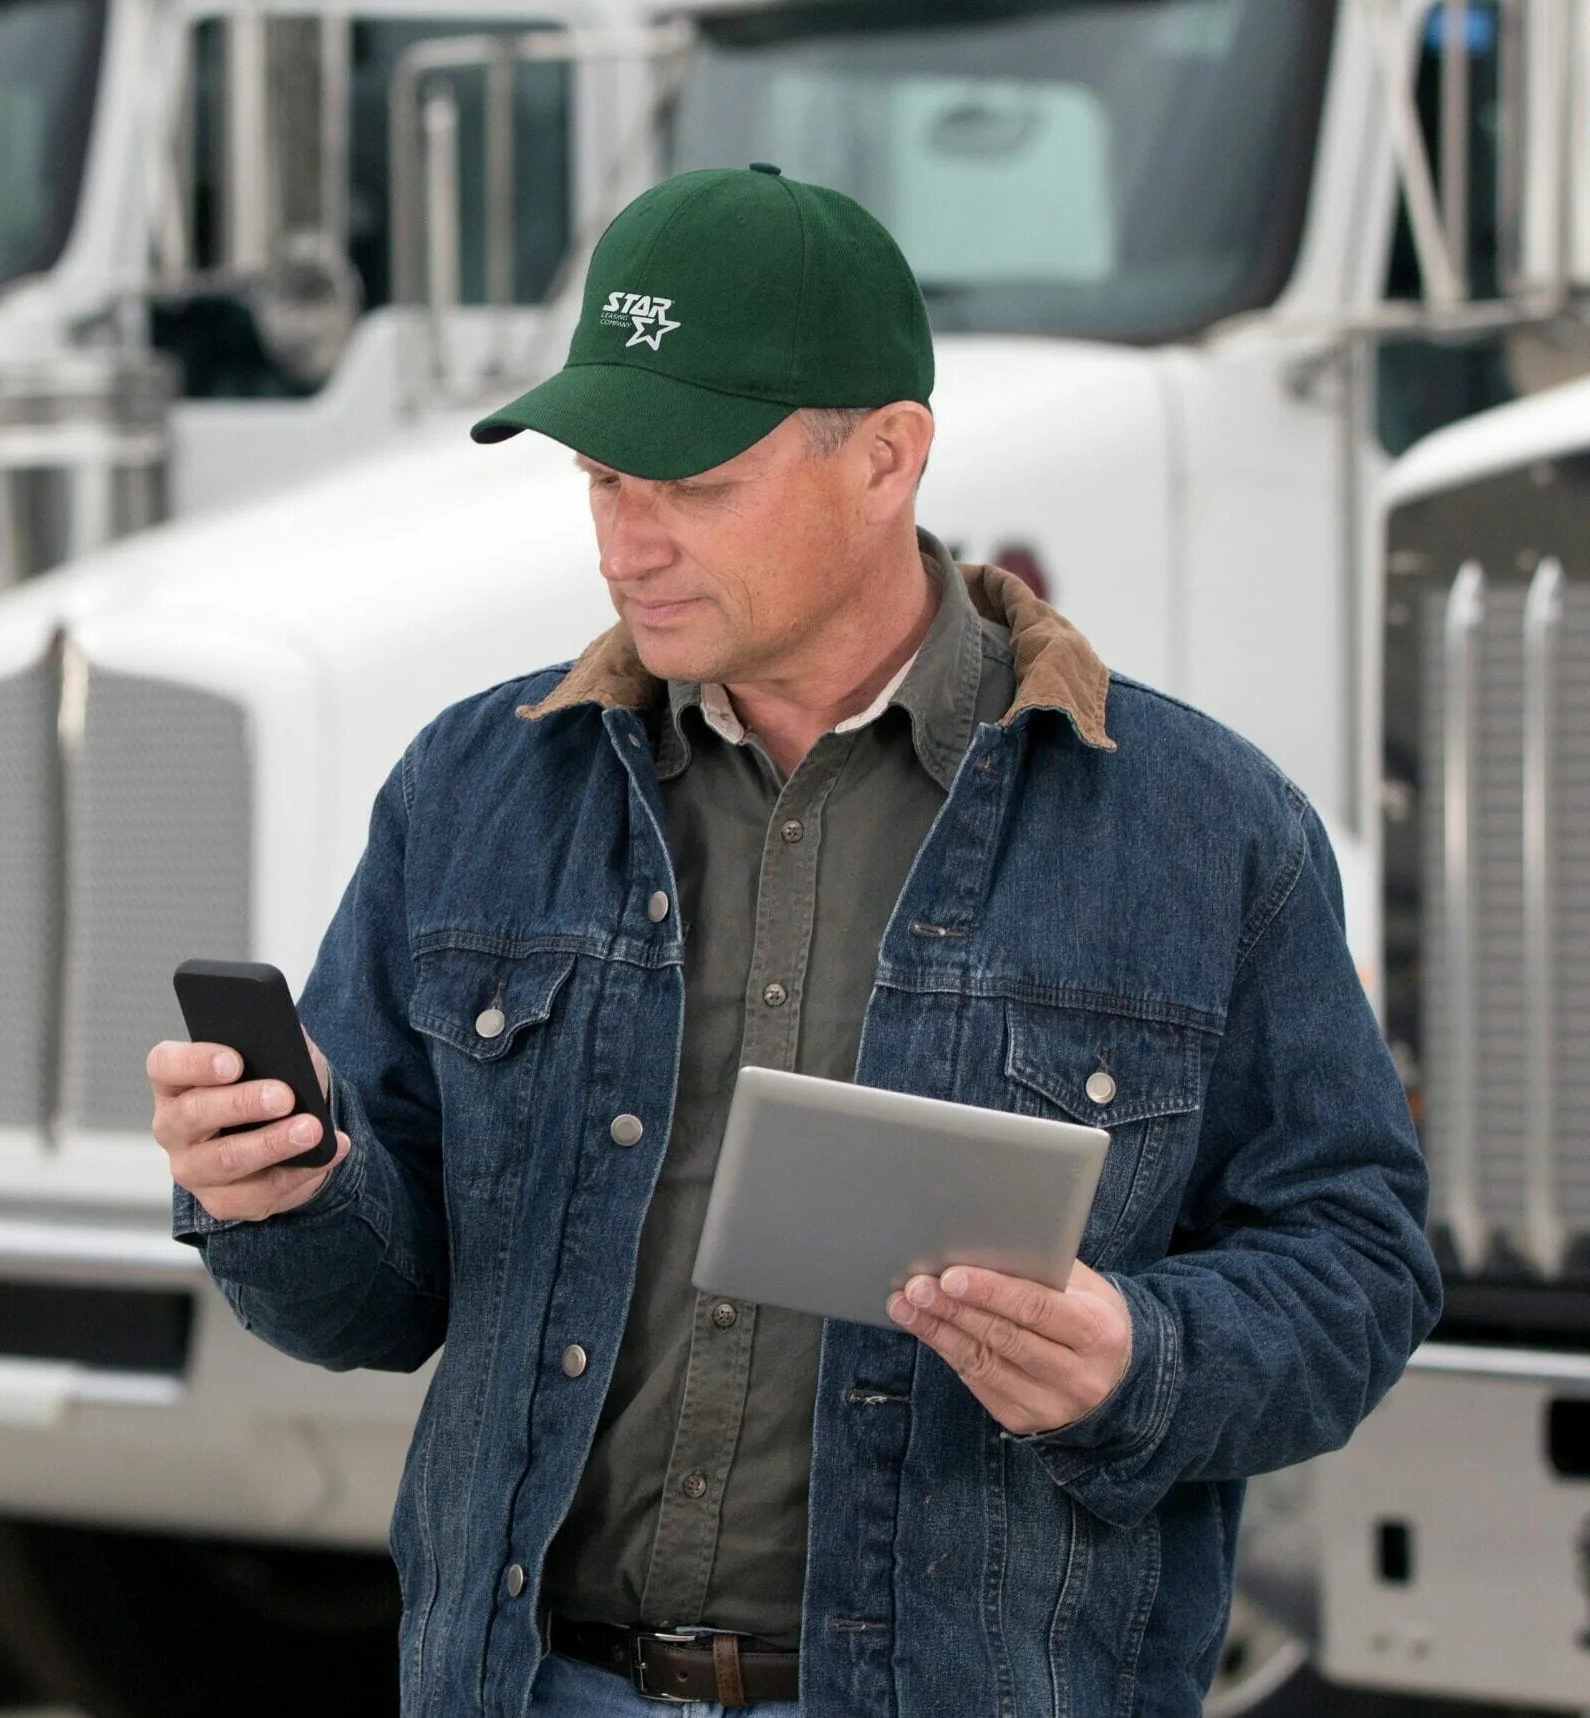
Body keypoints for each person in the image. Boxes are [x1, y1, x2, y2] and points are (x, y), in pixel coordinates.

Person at [148, 166, 1441, 1716]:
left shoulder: (1201, 827)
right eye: (602, 480)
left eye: (693, 485)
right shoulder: (473, 788)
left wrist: (1136, 1360)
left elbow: (1360, 1264)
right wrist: (281, 1192)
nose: (629, 544)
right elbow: (377, 1299)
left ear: (888, 456)